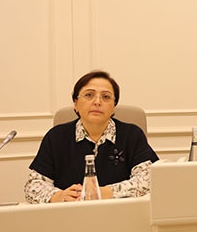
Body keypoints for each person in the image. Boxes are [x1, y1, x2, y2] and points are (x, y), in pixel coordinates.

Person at [24, 70, 159, 203]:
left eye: (106, 97)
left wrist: (105, 193)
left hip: (119, 212)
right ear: (76, 104)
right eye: (89, 95)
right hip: (69, 212)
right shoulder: (56, 137)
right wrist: (59, 196)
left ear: (114, 106)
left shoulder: (131, 135)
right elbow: (33, 186)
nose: (97, 102)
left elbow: (150, 179)